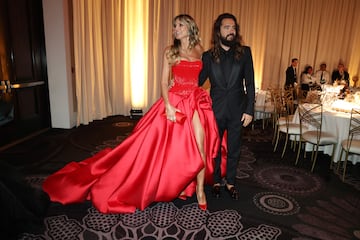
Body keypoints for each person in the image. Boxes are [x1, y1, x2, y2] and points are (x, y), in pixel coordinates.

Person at [42, 14, 219, 214]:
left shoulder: (200, 50)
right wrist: (168, 105)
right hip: (175, 102)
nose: (175, 29)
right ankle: (167, 182)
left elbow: (201, 77)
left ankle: (200, 191)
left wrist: (202, 90)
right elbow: (163, 81)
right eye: (174, 26)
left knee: (200, 147)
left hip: (195, 101)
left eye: (179, 25)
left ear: (190, 27)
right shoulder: (170, 51)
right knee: (166, 149)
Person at [199, 13, 255, 200]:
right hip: (215, 110)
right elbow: (197, 81)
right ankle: (216, 180)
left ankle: (230, 181)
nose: (231, 31)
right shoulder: (207, 56)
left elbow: (251, 84)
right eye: (226, 27)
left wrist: (249, 110)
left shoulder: (245, 53)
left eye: (233, 28)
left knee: (234, 148)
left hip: (238, 110)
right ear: (218, 31)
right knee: (214, 149)